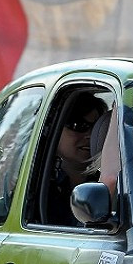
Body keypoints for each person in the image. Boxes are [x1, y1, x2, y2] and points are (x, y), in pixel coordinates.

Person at [46, 94, 106, 225]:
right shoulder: (38, 186)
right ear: (54, 129)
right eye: (78, 125)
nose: (90, 136)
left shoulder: (113, 184)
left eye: (96, 128)